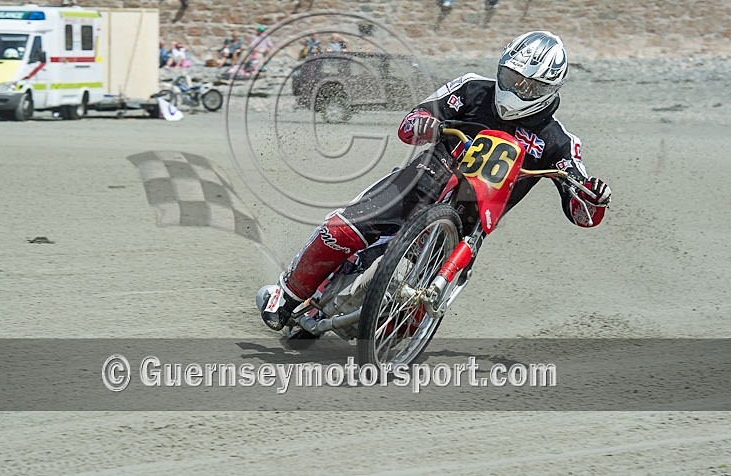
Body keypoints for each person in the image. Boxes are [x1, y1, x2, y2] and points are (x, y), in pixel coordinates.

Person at [260, 31, 612, 331]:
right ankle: (286, 294)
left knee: (410, 322)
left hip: (472, 217)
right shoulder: (472, 87)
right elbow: (411, 122)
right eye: (510, 77)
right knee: (342, 229)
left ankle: (394, 329)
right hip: (425, 179)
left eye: (528, 85)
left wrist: (592, 195)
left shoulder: (559, 141)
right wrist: (426, 122)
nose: (515, 89)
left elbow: (583, 213)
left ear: (549, 89)